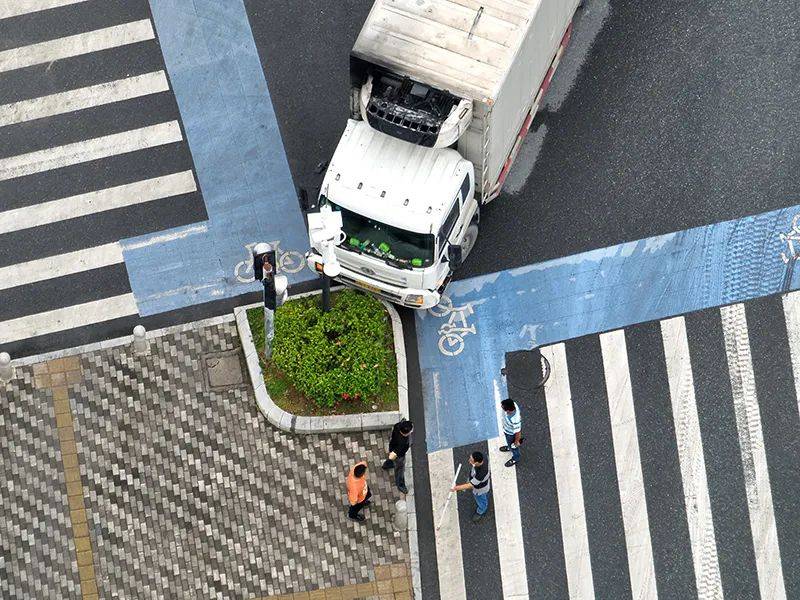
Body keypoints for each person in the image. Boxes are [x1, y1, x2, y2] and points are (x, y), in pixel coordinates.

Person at [451, 451, 491, 522]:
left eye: (471, 460)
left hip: (480, 489)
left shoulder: (480, 474)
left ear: (477, 463)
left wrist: (456, 488)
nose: (469, 461)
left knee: (481, 499)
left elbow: (470, 485)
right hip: (475, 479)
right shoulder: (483, 457)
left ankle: (481, 510)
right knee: (469, 482)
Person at [382, 419, 413, 494]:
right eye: (411, 430)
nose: (412, 430)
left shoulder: (397, 426)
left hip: (392, 446)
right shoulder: (404, 442)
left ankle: (387, 465)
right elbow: (399, 452)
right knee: (400, 468)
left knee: (391, 458)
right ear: (405, 433)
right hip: (399, 455)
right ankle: (400, 484)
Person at [499, 398, 522, 467]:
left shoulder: (515, 419)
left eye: (502, 407)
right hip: (507, 430)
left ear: (508, 410)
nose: (501, 407)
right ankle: (509, 447)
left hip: (510, 434)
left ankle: (516, 457)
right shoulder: (513, 404)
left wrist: (516, 442)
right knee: (509, 444)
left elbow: (518, 432)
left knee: (514, 447)